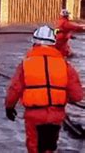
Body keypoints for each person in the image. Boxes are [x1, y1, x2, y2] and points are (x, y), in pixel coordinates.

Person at [5, 25, 83, 153]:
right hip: (56, 117)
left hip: (34, 116)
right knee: (49, 148)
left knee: (34, 148)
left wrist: (9, 107)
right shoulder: (65, 65)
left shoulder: (25, 64)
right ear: (53, 43)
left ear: (34, 42)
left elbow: (15, 89)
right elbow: (77, 95)